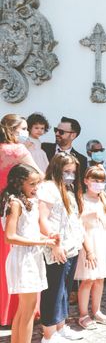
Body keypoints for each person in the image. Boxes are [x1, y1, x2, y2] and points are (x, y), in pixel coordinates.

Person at [1, 164, 57, 343]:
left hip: (31, 256)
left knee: (23, 310)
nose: (36, 187)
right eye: (32, 184)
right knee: (29, 310)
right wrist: (42, 242)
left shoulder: (27, 202)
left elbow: (29, 233)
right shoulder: (15, 203)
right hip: (23, 259)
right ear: (19, 183)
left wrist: (46, 238)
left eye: (38, 183)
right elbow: (10, 237)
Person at [38, 153, 85, 343]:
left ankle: (60, 326)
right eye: (67, 172)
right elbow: (43, 218)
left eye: (73, 172)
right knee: (54, 290)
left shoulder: (67, 188)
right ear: (57, 169)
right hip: (56, 247)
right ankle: (48, 334)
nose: (70, 176)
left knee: (65, 289)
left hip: (71, 246)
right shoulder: (48, 188)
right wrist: (54, 243)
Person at [0, 114, 43, 326]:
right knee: (16, 258)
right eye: (23, 128)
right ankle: (18, 312)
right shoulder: (19, 150)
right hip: (13, 204)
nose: (26, 132)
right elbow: (38, 175)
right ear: (13, 129)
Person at [75, 166, 106, 329]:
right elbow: (79, 223)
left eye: (101, 181)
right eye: (95, 180)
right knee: (88, 279)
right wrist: (88, 251)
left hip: (105, 240)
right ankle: (83, 314)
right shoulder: (81, 199)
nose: (99, 184)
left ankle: (97, 310)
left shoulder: (105, 200)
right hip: (89, 241)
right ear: (86, 181)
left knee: (100, 279)